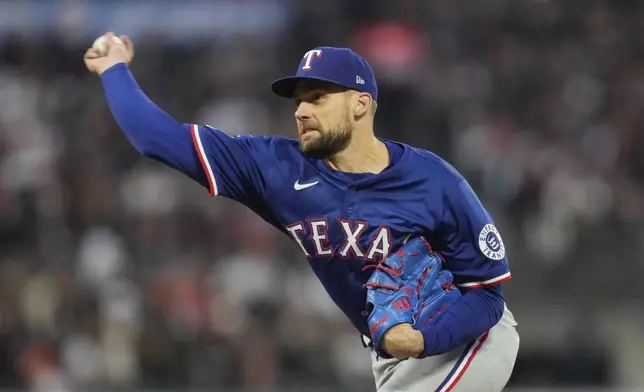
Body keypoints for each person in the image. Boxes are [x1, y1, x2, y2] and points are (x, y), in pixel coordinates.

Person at [84, 32, 520, 392]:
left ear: (360, 104)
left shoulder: (433, 181)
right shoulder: (276, 168)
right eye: (297, 101)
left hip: (465, 340)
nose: (301, 110)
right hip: (392, 357)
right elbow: (156, 140)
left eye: (317, 97)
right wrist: (114, 68)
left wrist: (423, 339)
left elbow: (488, 297)